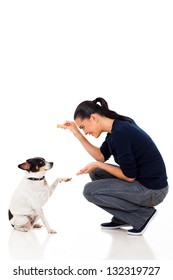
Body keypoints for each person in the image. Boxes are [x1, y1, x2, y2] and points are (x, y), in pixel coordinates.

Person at [58, 97, 168, 236]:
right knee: (96, 172)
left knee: (89, 191)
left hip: (152, 191)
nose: (85, 132)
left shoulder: (120, 134)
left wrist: (99, 164)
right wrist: (77, 134)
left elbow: (129, 176)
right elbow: (100, 157)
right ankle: (123, 217)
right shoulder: (117, 126)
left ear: (93, 118)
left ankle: (142, 215)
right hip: (146, 184)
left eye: (83, 127)